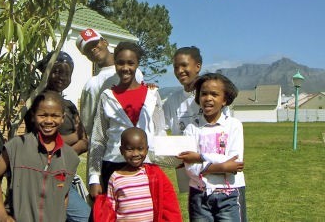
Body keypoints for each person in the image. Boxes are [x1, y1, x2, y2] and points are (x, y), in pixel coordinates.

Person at [88, 41, 167, 198]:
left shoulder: (152, 94)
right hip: (113, 164)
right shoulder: (107, 96)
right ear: (115, 63)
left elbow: (160, 132)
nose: (125, 68)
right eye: (120, 63)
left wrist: (169, 160)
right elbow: (98, 139)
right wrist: (94, 177)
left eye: (131, 63)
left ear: (138, 64)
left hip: (146, 165)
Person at [0, 90, 79, 222]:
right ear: (33, 116)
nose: (49, 120)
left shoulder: (70, 157)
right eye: (43, 115)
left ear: (62, 118)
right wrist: (2, 215)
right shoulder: (16, 146)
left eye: (55, 116)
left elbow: (63, 195)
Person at [177, 73, 247, 222]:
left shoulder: (234, 125)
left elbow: (235, 164)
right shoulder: (191, 128)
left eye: (214, 94)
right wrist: (222, 166)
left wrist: (199, 157)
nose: (208, 98)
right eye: (204, 94)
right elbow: (190, 169)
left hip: (230, 194)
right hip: (199, 195)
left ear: (225, 100)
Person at [36, 51, 90, 222]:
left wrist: (64, 152)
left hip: (64, 172)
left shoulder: (70, 106)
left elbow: (85, 141)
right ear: (46, 71)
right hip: (45, 175)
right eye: (57, 71)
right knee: (85, 217)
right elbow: (42, 142)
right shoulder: (38, 102)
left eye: (67, 73)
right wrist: (75, 137)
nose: (62, 77)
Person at [93, 127, 182, 222]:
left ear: (147, 149)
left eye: (140, 149)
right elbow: (110, 210)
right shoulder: (115, 178)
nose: (135, 154)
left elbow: (169, 204)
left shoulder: (154, 175)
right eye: (130, 149)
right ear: (121, 150)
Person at [76, 28, 143, 137]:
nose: (93, 49)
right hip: (110, 146)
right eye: (87, 50)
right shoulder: (92, 85)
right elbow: (87, 125)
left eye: (95, 43)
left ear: (105, 42)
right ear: (86, 56)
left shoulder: (135, 72)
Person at [163, 46, 202, 135]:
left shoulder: (211, 98)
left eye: (184, 65)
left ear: (198, 67)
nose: (179, 71)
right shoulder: (172, 101)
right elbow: (160, 128)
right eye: (176, 67)